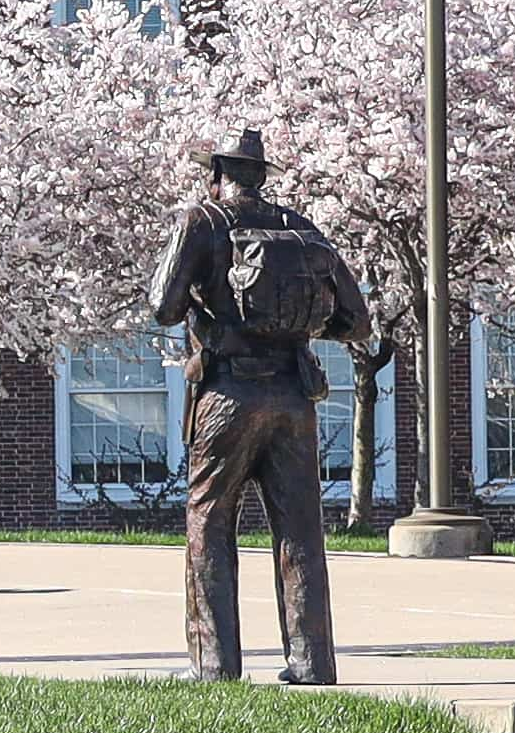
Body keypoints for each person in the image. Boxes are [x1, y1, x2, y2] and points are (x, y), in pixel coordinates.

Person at [148, 126, 369, 683]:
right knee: (299, 528)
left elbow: (162, 307)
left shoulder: (201, 221)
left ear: (217, 175)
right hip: (293, 397)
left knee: (209, 522)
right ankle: (311, 661)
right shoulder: (300, 229)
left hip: (227, 394)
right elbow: (356, 321)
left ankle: (216, 665)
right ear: (260, 178)